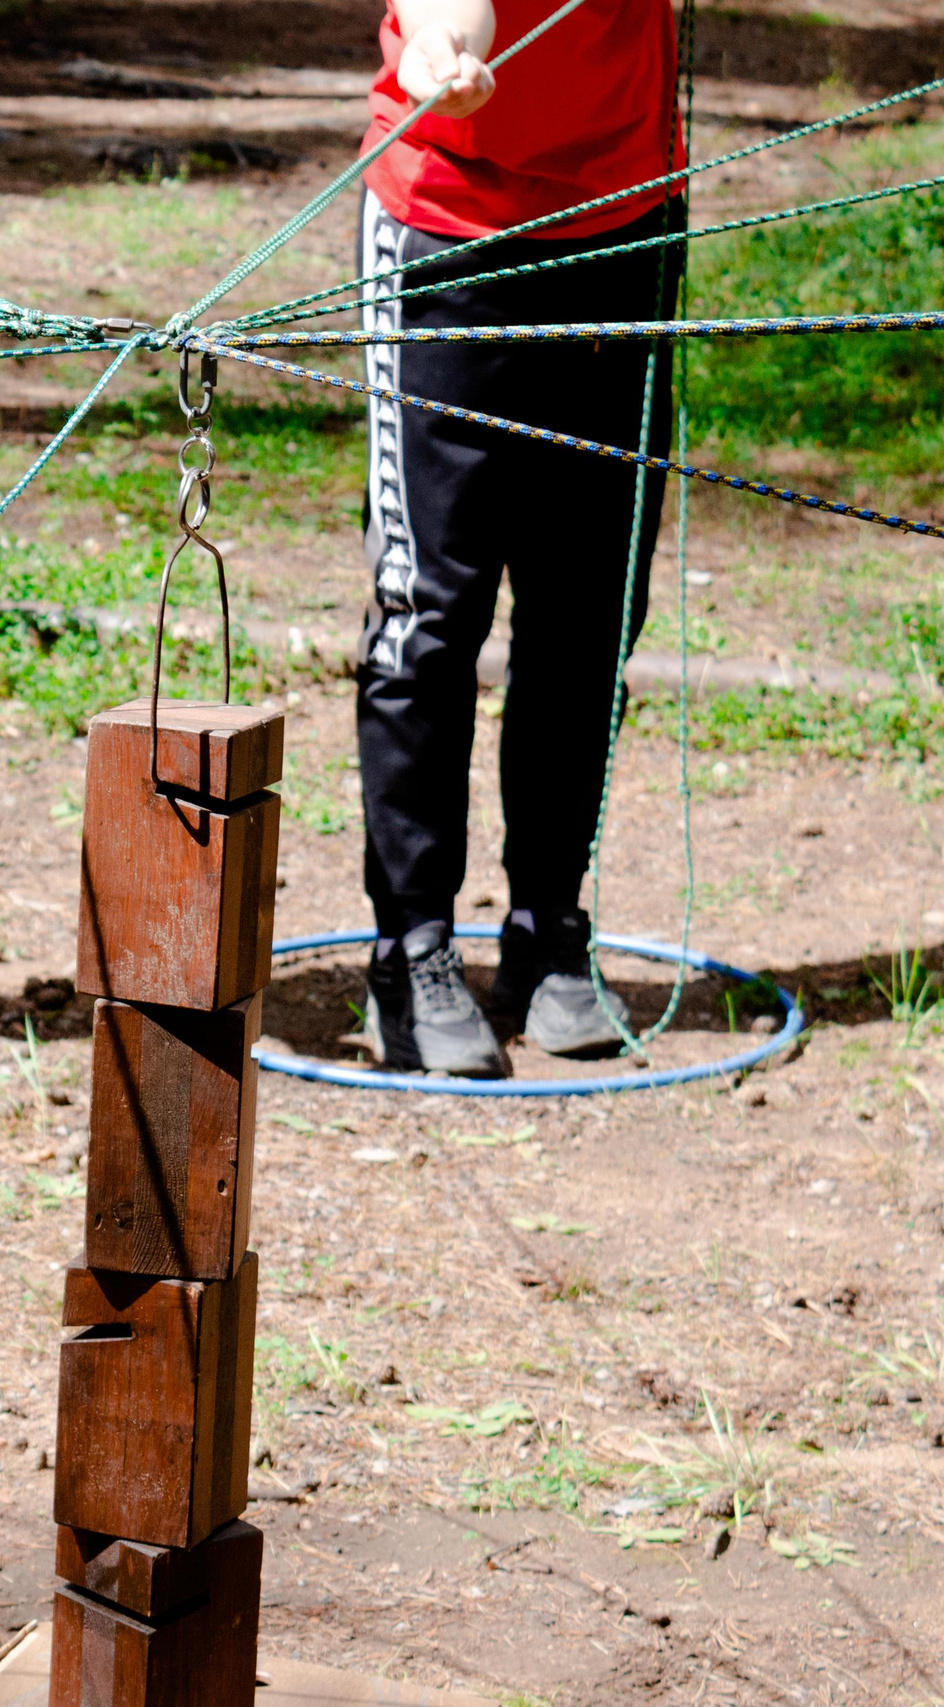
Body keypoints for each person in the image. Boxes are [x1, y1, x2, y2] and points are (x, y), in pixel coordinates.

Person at [353, 0, 684, 1074]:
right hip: (446, 233)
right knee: (432, 612)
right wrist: (450, 49)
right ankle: (411, 948)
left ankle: (547, 927)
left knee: (587, 615)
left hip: (623, 230)